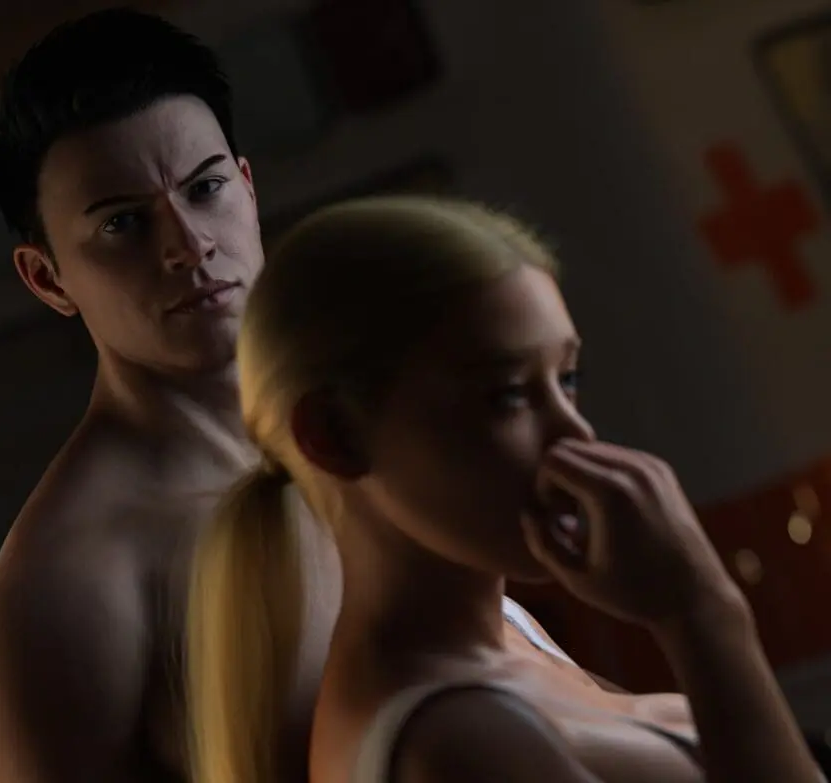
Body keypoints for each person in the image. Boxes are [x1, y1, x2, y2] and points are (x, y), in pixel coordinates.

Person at [0, 9, 598, 783]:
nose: (188, 245)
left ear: (248, 190)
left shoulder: (372, 443)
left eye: (205, 188)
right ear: (48, 277)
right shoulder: (63, 595)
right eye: (123, 224)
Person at [185, 195, 823, 783]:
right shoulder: (456, 742)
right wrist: (703, 614)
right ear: (335, 436)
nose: (575, 434)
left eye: (567, 379)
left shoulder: (507, 629)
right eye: (510, 395)